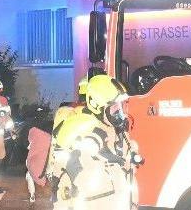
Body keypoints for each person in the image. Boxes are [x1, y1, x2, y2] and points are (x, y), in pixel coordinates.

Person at [51, 75, 140, 210]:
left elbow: (127, 175)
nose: (120, 112)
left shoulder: (112, 129)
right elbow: (80, 168)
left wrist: (132, 204)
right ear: (98, 105)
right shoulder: (85, 128)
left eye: (121, 106)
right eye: (115, 107)